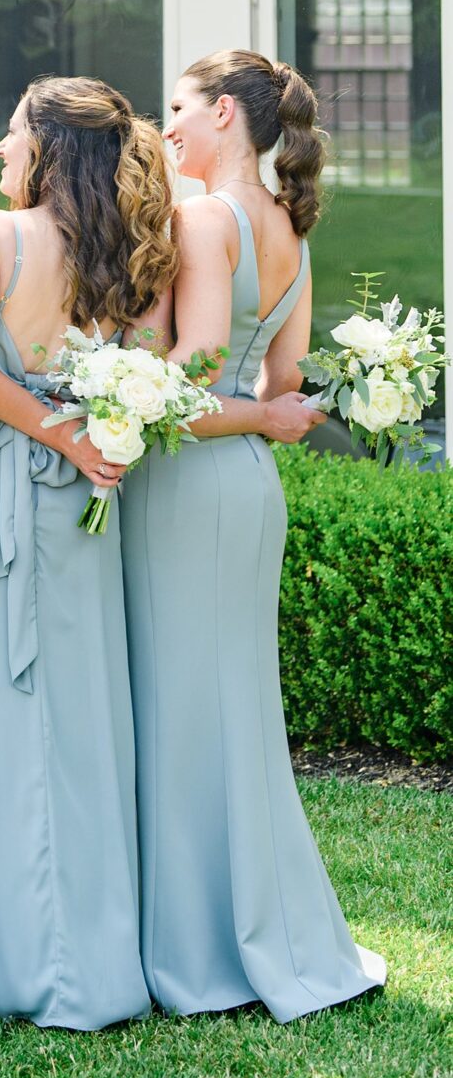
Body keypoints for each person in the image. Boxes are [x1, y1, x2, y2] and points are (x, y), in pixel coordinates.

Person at [121, 50, 384, 1018]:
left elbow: (170, 393)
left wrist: (105, 369)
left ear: (223, 113)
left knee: (175, 705)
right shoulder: (286, 224)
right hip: (246, 488)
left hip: (186, 482)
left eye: (178, 107)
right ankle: (256, 920)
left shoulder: (197, 217)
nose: (168, 126)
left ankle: (187, 938)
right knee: (229, 704)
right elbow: (280, 384)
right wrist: (262, 415)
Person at [0, 78, 172, 1029]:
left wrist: (55, 434)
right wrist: (79, 435)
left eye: (12, 135)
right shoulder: (132, 253)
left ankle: (9, 961)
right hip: (80, 504)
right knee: (73, 719)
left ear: (48, 151)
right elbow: (148, 377)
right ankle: (85, 957)